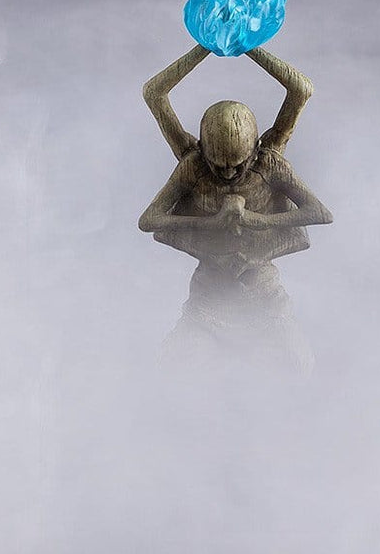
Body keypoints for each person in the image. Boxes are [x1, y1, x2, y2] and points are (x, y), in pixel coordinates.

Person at [139, 44, 332, 373]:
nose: (228, 174)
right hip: (208, 298)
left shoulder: (269, 162)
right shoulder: (192, 165)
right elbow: (154, 94)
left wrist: (248, 44)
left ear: (255, 150)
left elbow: (301, 89)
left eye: (238, 165)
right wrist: (205, 44)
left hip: (264, 296)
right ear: (203, 150)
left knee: (298, 367)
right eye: (218, 166)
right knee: (171, 367)